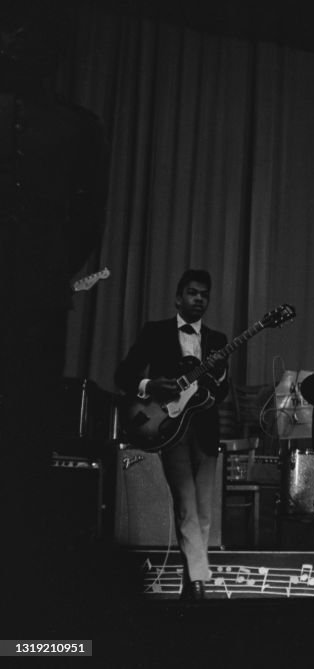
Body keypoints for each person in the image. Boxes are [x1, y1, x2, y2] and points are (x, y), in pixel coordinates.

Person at [0, 5, 108, 613]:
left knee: (24, 444)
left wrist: (37, 273)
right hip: (35, 290)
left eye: (24, 28)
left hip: (33, 303)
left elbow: (85, 226)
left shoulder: (79, 126)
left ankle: (23, 615)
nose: (13, 40)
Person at [115, 269, 229, 600]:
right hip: (168, 428)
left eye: (204, 294)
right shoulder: (156, 332)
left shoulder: (218, 341)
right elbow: (123, 375)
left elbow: (221, 394)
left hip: (205, 431)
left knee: (204, 510)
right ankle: (198, 583)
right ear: (178, 298)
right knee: (187, 505)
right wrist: (150, 385)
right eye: (192, 293)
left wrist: (218, 377)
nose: (199, 299)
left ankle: (190, 582)